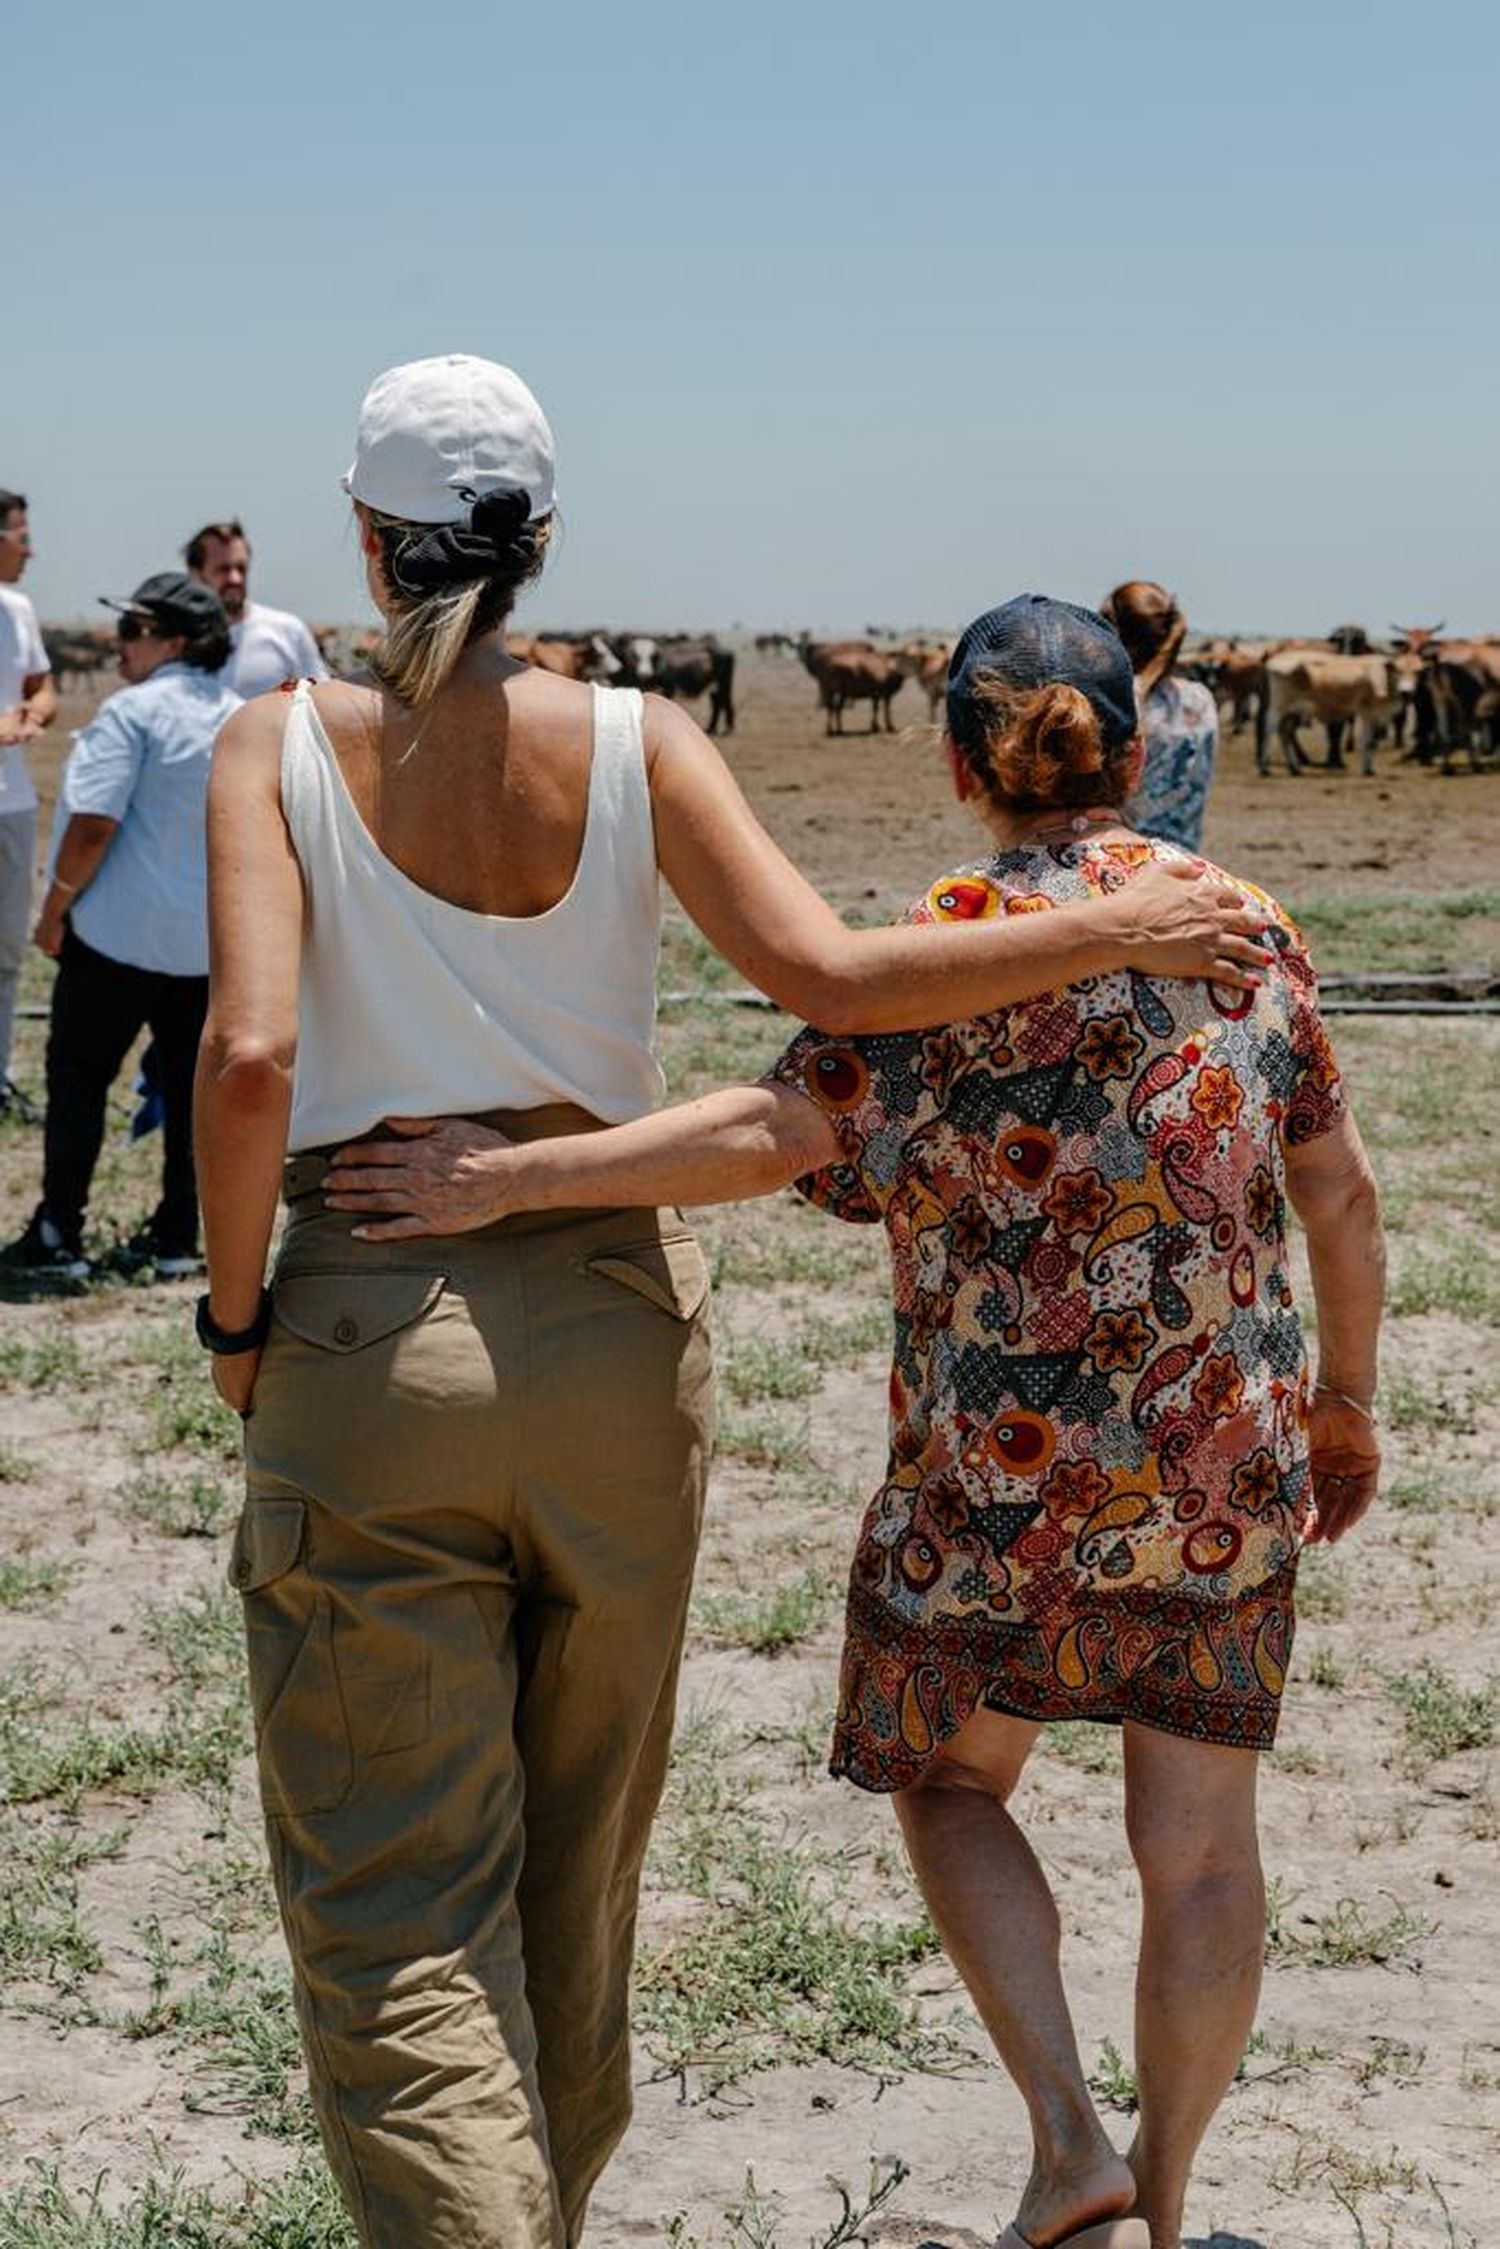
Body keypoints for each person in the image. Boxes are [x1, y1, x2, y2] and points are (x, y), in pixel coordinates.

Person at [193, 357, 1269, 2249]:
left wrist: (229, 1318)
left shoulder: (268, 743)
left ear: (361, 541)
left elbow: (254, 1053)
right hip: (617, 1327)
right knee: (580, 1858)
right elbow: (843, 976)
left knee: (393, 1899)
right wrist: (1124, 917)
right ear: (542, 544)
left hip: (374, 1311)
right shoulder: (638, 740)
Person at [330, 594, 1384, 2249]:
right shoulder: (1246, 921)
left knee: (956, 1783)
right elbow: (1340, 1187)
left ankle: (1067, 2143)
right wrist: (1348, 1399)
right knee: (1200, 1849)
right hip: (1220, 1459)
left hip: (997, 1483)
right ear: (1138, 735)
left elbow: (771, 1131)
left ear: (964, 756)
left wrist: (509, 1173)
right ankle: (1167, 2210)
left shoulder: (957, 934)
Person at [0, 574, 238, 1284]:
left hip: (114, 937)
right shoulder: (241, 717)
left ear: (176, 642)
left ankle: (59, 1232)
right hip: (202, 946)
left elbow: (93, 824)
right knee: (194, 1098)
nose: (119, 643)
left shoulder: (129, 714)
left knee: (77, 1082)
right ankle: (175, 1238)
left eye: (133, 630)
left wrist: (53, 911)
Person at [0, 488, 57, 1115]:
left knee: (7, 951)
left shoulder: (18, 610)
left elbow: (42, 688)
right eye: (21, 535)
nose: (32, 548)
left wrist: (36, 711)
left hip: (12, 805)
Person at [1101, 581, 1218, 852]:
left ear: (1111, 632)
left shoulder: (1114, 698)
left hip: (1120, 864)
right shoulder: (1200, 700)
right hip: (1184, 865)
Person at [185, 517, 329, 697]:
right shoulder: (176, 641)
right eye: (223, 569)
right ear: (197, 574)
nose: (235, 579)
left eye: (241, 568)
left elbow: (321, 698)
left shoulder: (289, 631)